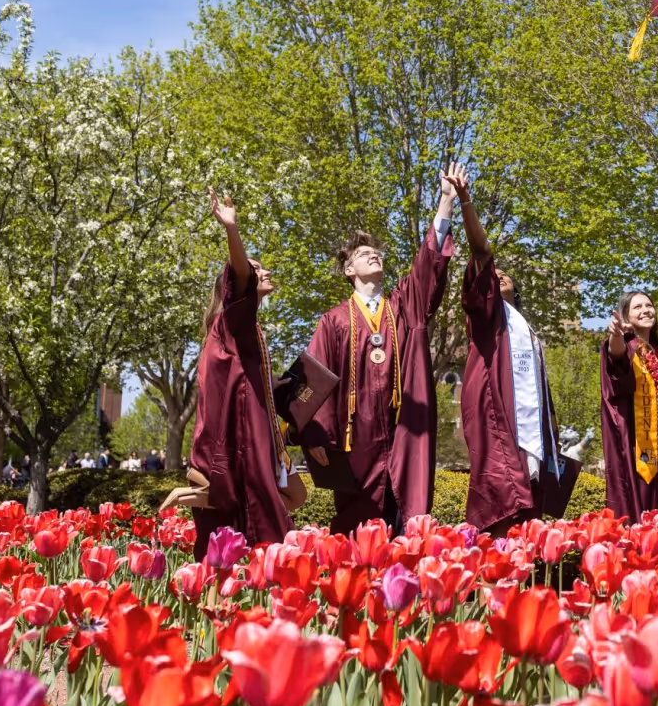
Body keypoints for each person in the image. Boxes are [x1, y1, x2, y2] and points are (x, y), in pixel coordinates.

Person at [296, 167, 459, 535]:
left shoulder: (403, 307)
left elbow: (426, 268)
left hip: (405, 437)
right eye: (363, 253)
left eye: (376, 252)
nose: (374, 256)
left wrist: (446, 201)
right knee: (359, 539)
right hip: (357, 447)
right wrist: (314, 436)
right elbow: (311, 380)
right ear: (348, 270)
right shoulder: (334, 321)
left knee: (407, 529)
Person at [451, 167, 575, 533]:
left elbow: (540, 389)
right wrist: (466, 201)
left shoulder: (527, 329)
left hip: (533, 434)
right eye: (493, 273)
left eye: (506, 274)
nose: (498, 273)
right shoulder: (489, 317)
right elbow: (481, 250)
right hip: (500, 421)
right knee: (503, 501)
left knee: (531, 509)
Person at [187, 190, 300, 560]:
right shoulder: (232, 321)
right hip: (239, 445)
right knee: (256, 531)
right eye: (255, 268)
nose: (263, 272)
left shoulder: (247, 327)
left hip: (257, 436)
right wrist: (232, 230)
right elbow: (239, 273)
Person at [599, 291, 658, 522]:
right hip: (634, 445)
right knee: (637, 507)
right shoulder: (626, 344)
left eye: (649, 305)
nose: (646, 310)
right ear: (626, 315)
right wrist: (616, 335)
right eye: (637, 307)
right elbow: (615, 358)